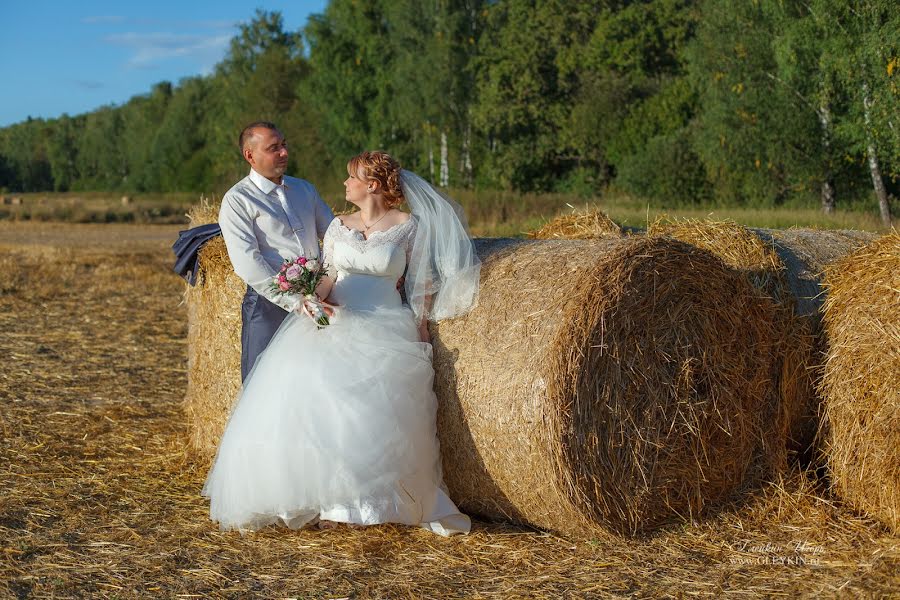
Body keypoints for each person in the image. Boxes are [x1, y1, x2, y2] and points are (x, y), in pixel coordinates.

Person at [202, 151, 481, 536]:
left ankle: (374, 504)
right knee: (325, 407)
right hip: (337, 319)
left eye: (352, 178)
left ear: (372, 185)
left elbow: (422, 284)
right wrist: (309, 296)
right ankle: (333, 501)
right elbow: (331, 274)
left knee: (377, 415)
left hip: (386, 322)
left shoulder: (409, 227)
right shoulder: (338, 226)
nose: (345, 184)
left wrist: (421, 335)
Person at [218, 121, 335, 382]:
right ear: (250, 155)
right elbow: (247, 263)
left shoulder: (305, 189)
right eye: (274, 148)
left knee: (317, 381)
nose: (284, 152)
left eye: (284, 145)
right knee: (263, 383)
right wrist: (296, 302)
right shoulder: (238, 200)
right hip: (268, 306)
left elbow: (333, 236)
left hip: (320, 298)